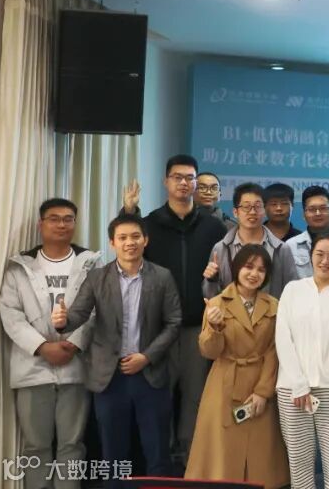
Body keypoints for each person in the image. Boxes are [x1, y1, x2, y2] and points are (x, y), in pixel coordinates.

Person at [52, 214, 182, 485]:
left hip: (150, 374)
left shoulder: (162, 276)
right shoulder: (97, 277)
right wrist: (63, 321)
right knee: (113, 454)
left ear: (145, 240)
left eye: (135, 236)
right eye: (122, 238)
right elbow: (78, 314)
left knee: (157, 451)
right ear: (112, 243)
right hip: (109, 378)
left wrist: (146, 357)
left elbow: (173, 323)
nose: (129, 243)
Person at [121, 154, 228, 456]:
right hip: (158, 327)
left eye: (190, 178)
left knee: (196, 397)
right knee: (159, 395)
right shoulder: (150, 224)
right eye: (177, 177)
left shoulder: (213, 228)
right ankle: (160, 459)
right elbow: (127, 254)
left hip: (198, 326)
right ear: (166, 181)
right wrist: (128, 211)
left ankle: (190, 458)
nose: (184, 183)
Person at [0, 199, 98, 489]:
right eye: (54, 219)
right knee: (35, 447)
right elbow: (10, 313)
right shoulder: (19, 267)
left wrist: (74, 344)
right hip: (33, 369)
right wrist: (43, 347)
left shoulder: (91, 263)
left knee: (72, 445)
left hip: (76, 367)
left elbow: (98, 310)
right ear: (41, 224)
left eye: (68, 219)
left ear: (75, 224)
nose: (61, 224)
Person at [186, 244, 289, 488]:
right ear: (236, 268)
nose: (254, 274)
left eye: (261, 270)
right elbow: (209, 352)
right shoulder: (217, 303)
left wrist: (263, 391)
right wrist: (214, 328)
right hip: (224, 384)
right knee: (222, 455)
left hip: (260, 384)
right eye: (248, 267)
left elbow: (275, 351)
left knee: (260, 455)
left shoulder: (274, 306)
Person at [274, 231, 329, 489]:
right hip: (292, 389)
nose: (325, 261)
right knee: (299, 465)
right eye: (320, 254)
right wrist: (298, 384)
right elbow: (283, 339)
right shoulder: (293, 290)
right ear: (311, 256)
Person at [204, 182, 298, 300]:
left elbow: (293, 291)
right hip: (230, 311)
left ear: (264, 210)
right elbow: (209, 296)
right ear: (235, 212)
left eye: (258, 206)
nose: (252, 212)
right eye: (246, 206)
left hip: (272, 311)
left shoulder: (281, 249)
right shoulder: (221, 248)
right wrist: (211, 279)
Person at [289, 186, 329, 279]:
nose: (318, 213)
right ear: (304, 215)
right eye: (312, 209)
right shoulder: (291, 246)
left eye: (323, 208)